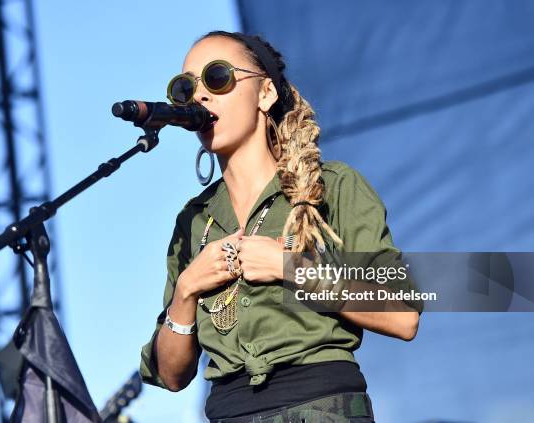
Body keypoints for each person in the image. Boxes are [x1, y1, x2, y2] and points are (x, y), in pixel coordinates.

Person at [140, 30, 423, 423]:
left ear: (266, 93)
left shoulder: (334, 187)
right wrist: (186, 290)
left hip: (321, 407)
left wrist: (289, 267)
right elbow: (171, 375)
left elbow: (402, 313)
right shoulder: (193, 220)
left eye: (218, 77)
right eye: (186, 88)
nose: (200, 96)